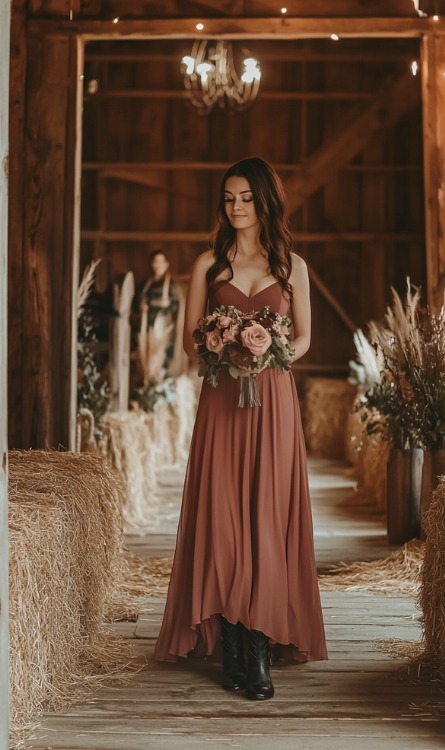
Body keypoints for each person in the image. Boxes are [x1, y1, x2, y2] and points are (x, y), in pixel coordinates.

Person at [154, 157, 327, 700]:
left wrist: (271, 349)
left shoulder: (292, 266)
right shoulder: (208, 264)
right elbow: (188, 337)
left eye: (246, 197)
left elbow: (303, 339)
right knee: (224, 516)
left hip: (273, 401)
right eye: (229, 198)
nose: (236, 207)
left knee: (267, 517)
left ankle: (258, 650)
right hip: (222, 402)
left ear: (265, 201)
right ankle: (229, 641)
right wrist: (219, 342)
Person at [134, 249, 180, 372]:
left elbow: (176, 307)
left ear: (166, 264)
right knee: (145, 359)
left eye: (161, 262)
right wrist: (141, 306)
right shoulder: (145, 284)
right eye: (155, 262)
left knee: (161, 359)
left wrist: (165, 305)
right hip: (146, 327)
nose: (158, 265)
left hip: (163, 328)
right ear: (151, 264)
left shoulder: (172, 285)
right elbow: (136, 302)